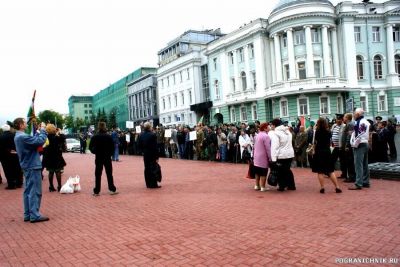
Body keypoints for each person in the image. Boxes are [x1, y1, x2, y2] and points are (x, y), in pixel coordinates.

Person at [13, 118, 49, 223]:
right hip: (32, 165)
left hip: (28, 165)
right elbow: (40, 141)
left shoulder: (18, 136)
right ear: (20, 125)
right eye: (24, 123)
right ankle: (34, 215)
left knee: (28, 191)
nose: (27, 124)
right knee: (35, 191)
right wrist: (42, 130)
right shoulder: (22, 137)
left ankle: (28, 214)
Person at [311, 118, 342, 194]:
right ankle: (337, 186)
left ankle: (322, 187)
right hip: (327, 152)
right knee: (330, 171)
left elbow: (313, 141)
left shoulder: (316, 132)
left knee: (320, 172)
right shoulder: (328, 132)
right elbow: (331, 142)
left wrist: (314, 130)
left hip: (318, 152)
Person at [89, 122, 119, 196]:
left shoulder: (94, 137)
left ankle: (97, 190)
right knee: (109, 173)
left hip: (98, 157)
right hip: (107, 157)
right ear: (105, 127)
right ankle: (112, 189)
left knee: (98, 174)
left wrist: (95, 152)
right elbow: (113, 147)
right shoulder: (108, 137)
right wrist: (110, 153)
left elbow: (90, 147)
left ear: (98, 127)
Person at [269, 118, 296, 191]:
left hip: (281, 154)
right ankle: (291, 185)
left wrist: (273, 158)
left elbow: (275, 146)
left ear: (274, 125)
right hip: (289, 153)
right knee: (287, 170)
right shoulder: (287, 132)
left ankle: (282, 185)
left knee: (280, 171)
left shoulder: (276, 133)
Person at [349, 108, 370, 190]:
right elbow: (360, 133)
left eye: (354, 113)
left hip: (360, 144)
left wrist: (355, 144)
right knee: (365, 164)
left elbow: (360, 135)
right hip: (365, 143)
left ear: (357, 114)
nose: (353, 115)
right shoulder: (365, 121)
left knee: (358, 165)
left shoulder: (359, 122)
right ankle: (366, 181)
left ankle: (358, 183)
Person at [42, 125, 66, 192]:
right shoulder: (56, 137)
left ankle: (51, 186)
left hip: (49, 156)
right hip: (56, 155)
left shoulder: (46, 137)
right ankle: (59, 186)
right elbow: (63, 139)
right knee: (58, 171)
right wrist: (60, 133)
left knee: (51, 171)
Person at [137, 122, 161, 188]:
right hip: (152, 153)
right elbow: (155, 147)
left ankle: (148, 183)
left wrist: (143, 150)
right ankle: (153, 183)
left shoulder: (141, 135)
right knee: (153, 168)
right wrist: (157, 156)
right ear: (149, 127)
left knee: (147, 168)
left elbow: (138, 145)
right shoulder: (152, 135)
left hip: (145, 153)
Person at [0, 123, 23, 189]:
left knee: (7, 170)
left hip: (5, 156)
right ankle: (19, 183)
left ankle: (11, 184)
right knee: (17, 168)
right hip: (15, 154)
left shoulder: (1, 136)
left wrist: (8, 150)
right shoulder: (15, 135)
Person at [253, 123, 272, 192]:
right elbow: (268, 148)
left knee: (257, 172)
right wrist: (270, 158)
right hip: (263, 156)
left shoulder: (258, 135)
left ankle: (256, 185)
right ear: (264, 128)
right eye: (268, 127)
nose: (269, 127)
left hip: (256, 156)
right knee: (263, 172)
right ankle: (263, 187)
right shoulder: (266, 136)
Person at [330, 114, 347, 178]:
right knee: (331, 159)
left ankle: (344, 174)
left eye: (339, 119)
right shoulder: (334, 126)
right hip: (333, 146)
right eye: (337, 119)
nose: (338, 120)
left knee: (343, 161)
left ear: (342, 120)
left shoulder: (344, 126)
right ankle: (330, 172)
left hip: (341, 147)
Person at [343, 113, 356, 183]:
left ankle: (352, 176)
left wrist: (347, 145)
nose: (343, 118)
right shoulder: (349, 124)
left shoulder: (350, 124)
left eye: (344, 117)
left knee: (350, 162)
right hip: (349, 145)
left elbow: (349, 135)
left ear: (347, 118)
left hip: (349, 146)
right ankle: (351, 175)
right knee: (349, 161)